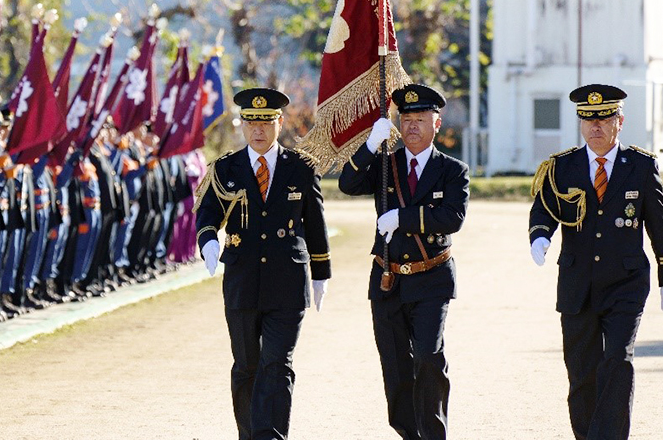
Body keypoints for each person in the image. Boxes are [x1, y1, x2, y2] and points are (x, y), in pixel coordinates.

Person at [528, 84, 663, 440]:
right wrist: (540, 236)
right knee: (581, 372)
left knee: (617, 362)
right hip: (577, 283)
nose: (595, 126)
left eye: (604, 118)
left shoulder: (641, 166)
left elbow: (659, 223)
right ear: (581, 123)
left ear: (619, 121)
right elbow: (545, 209)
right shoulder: (561, 167)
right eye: (588, 119)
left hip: (625, 283)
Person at [194, 87, 331, 440]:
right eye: (251, 122)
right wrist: (207, 239)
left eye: (266, 122)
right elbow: (208, 211)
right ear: (243, 126)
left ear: (279, 123)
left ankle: (270, 436)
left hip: (286, 282)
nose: (258, 130)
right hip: (242, 281)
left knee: (277, 364)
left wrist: (321, 274)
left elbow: (315, 223)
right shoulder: (227, 168)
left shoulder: (300, 168)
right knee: (246, 367)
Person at [338, 83, 469, 440]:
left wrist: (403, 218)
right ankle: (409, 433)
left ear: (436, 123)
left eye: (420, 118)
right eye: (405, 118)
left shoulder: (452, 170)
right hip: (388, 279)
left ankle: (433, 433)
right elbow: (347, 184)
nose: (411, 125)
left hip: (431, 279)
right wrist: (368, 145)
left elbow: (452, 217)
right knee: (395, 368)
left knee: (428, 357)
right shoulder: (385, 166)